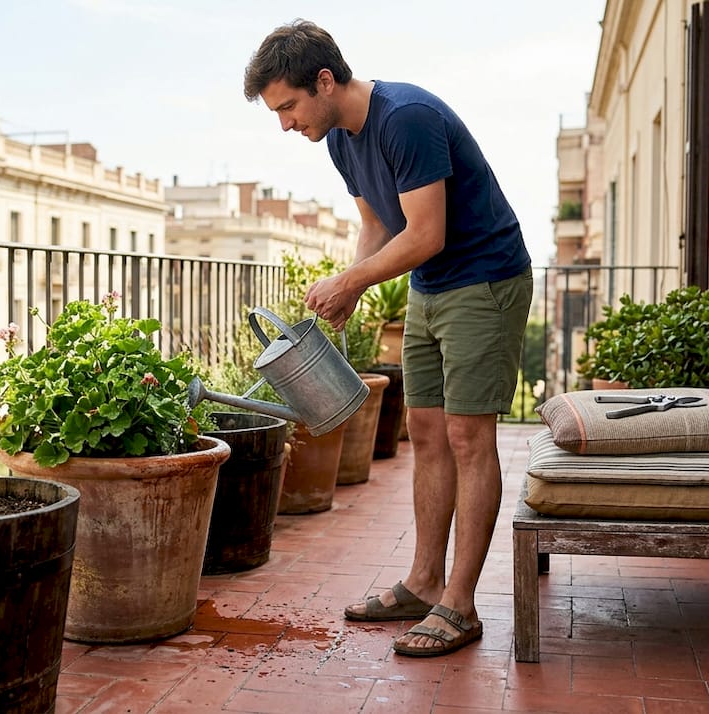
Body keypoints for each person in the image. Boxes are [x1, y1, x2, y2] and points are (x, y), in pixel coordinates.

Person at [243, 19, 533, 658]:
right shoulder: (339, 138)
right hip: (431, 287)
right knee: (425, 432)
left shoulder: (406, 118)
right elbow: (377, 224)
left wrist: (350, 280)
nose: (286, 124)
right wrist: (354, 286)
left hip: (484, 279)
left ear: (324, 81)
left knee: (468, 435)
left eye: (288, 106)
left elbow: (427, 232)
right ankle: (425, 582)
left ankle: (460, 603)